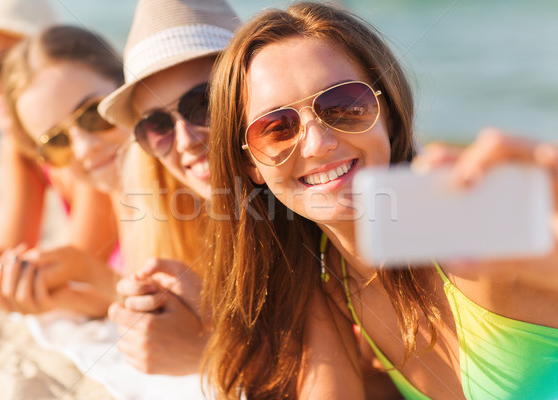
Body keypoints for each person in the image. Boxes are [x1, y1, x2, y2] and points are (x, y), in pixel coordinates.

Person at [204, 2, 558, 399]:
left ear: (387, 114)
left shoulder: (471, 245)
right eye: (277, 128)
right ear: (251, 164)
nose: (319, 143)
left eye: (343, 106)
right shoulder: (331, 283)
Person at [98, 0, 239, 374]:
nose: (185, 140)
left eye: (204, 102)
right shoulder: (192, 231)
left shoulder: (316, 212)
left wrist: (214, 353)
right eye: (158, 125)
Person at [0, 0, 118, 292]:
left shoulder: (89, 146)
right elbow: (11, 255)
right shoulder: (19, 146)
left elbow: (80, 267)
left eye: (5, 67)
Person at [0, 25, 128, 317]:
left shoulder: (176, 178)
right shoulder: (118, 184)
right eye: (56, 141)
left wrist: (89, 274)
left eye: (93, 113)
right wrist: (58, 298)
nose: (84, 147)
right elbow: (131, 297)